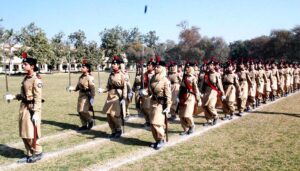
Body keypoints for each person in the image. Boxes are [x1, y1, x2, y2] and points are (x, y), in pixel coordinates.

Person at [16, 55, 43, 163]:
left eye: (25, 64)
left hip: (32, 108)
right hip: (24, 107)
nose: (23, 65)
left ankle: (38, 152)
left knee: (31, 132)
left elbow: (38, 97)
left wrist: (36, 112)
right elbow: (24, 94)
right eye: (23, 63)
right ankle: (29, 153)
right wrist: (14, 96)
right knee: (23, 132)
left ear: (32, 66)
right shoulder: (26, 78)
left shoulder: (36, 80)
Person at [147, 59, 171, 150]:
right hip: (153, 102)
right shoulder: (152, 78)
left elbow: (168, 95)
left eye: (158, 67)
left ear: (163, 68)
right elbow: (150, 92)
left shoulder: (165, 80)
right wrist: (144, 93)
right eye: (156, 66)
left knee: (156, 123)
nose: (156, 68)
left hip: (161, 104)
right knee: (152, 123)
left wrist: (168, 106)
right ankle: (157, 140)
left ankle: (161, 139)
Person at [100, 56, 127, 138]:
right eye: (112, 64)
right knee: (108, 115)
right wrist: (103, 90)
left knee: (114, 114)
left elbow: (125, 87)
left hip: (117, 96)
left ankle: (118, 130)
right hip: (110, 96)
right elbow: (108, 86)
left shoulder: (122, 75)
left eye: (115, 64)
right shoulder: (111, 75)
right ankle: (113, 131)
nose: (113, 65)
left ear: (118, 65)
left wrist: (124, 98)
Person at [69, 60, 96, 130]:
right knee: (79, 111)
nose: (81, 68)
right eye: (81, 67)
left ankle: (90, 120)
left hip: (87, 96)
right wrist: (71, 88)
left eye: (83, 67)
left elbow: (92, 88)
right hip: (81, 95)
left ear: (87, 69)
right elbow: (77, 87)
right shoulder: (81, 77)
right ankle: (84, 125)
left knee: (83, 110)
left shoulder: (90, 77)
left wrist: (92, 98)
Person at [177, 62, 201, 135]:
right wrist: (177, 97)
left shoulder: (193, 78)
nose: (186, 69)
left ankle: (192, 125)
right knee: (181, 115)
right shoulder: (183, 77)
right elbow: (181, 88)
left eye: (188, 67)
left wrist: (198, 99)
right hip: (182, 96)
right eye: (186, 67)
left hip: (190, 97)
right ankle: (185, 128)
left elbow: (195, 89)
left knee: (187, 114)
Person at [199, 59, 225, 126]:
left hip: (213, 91)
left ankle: (216, 116)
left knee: (210, 105)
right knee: (205, 106)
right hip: (206, 91)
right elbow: (203, 84)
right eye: (209, 65)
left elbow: (220, 85)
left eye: (211, 65)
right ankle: (209, 120)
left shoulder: (217, 74)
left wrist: (223, 93)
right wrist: (200, 92)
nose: (209, 66)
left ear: (213, 66)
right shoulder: (206, 74)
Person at [139, 58, 156, 128]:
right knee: (144, 108)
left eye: (149, 65)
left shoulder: (155, 74)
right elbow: (142, 83)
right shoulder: (145, 74)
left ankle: (151, 121)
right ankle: (147, 121)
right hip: (144, 92)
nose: (148, 66)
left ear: (153, 67)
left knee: (148, 108)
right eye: (147, 65)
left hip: (151, 93)